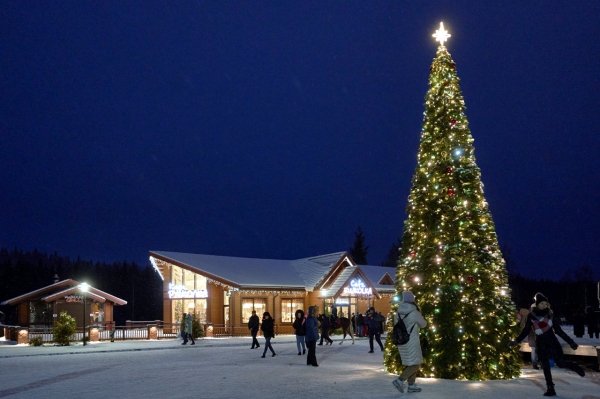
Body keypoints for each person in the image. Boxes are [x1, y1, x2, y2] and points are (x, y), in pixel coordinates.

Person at [510, 292, 585, 397]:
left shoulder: (550, 316)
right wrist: (517, 341)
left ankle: (575, 366)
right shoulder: (531, 316)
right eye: (542, 304)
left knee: (560, 363)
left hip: (552, 342)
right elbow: (526, 331)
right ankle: (551, 389)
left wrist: (570, 341)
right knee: (545, 366)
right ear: (537, 305)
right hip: (541, 343)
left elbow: (558, 331)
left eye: (546, 304)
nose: (544, 305)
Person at [392, 291, 427, 393]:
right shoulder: (414, 312)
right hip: (411, 341)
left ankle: (411, 386)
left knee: (411, 363)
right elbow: (424, 324)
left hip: (401, 341)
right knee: (416, 364)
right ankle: (400, 380)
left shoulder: (398, 313)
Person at [517, 302, 538, 369]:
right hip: (534, 335)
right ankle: (536, 363)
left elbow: (523, 325)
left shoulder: (528, 315)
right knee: (535, 349)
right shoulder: (531, 315)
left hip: (533, 335)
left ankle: (535, 363)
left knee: (534, 349)